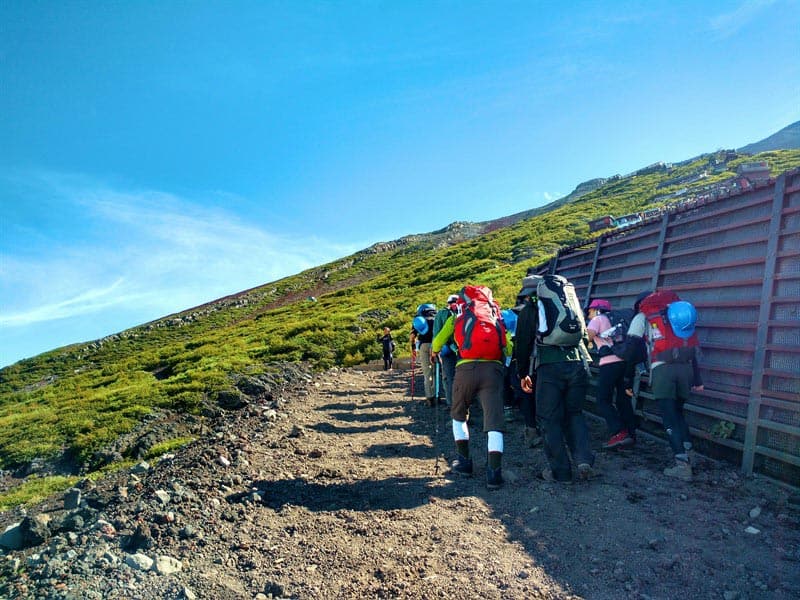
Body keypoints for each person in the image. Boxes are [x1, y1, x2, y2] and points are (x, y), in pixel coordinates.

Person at [518, 274, 596, 484]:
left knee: (549, 419)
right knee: (574, 413)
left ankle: (560, 472)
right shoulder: (570, 305)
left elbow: (523, 345)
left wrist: (522, 373)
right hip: (578, 364)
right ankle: (583, 460)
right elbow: (585, 337)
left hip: (549, 368)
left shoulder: (530, 310)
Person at [431, 285, 508, 490]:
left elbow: (437, 342)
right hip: (493, 370)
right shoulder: (495, 316)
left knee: (458, 413)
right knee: (494, 420)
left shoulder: (458, 317)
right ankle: (494, 474)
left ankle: (464, 462)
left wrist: (434, 351)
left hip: (465, 369)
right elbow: (507, 346)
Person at [627, 291, 704, 481]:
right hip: (686, 370)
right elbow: (691, 349)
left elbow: (632, 348)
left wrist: (628, 379)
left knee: (668, 417)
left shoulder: (643, 316)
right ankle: (689, 453)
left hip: (663, 370)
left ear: (640, 304)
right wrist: (698, 379)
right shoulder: (675, 314)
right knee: (678, 413)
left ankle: (681, 464)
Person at [586, 299, 636, 449]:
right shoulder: (615, 321)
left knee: (602, 400)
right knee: (623, 400)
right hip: (623, 363)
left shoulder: (597, 319)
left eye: (590, 310)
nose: (588, 314)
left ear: (596, 310)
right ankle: (631, 433)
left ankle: (619, 432)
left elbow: (586, 337)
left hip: (608, 364)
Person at [510, 278, 542, 448]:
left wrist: (521, 372)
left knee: (527, 396)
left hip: (532, 364)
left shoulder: (526, 312)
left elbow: (522, 343)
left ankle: (531, 430)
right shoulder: (556, 307)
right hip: (559, 363)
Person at [433, 294, 460, 407]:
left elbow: (437, 333)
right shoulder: (465, 312)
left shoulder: (442, 314)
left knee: (449, 377)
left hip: (447, 350)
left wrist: (435, 351)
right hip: (463, 350)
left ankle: (452, 404)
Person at [410, 304, 437, 407]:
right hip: (437, 346)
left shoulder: (419, 319)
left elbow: (412, 336)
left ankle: (430, 397)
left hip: (424, 346)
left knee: (427, 372)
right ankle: (437, 394)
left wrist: (413, 348)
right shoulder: (437, 318)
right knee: (436, 371)